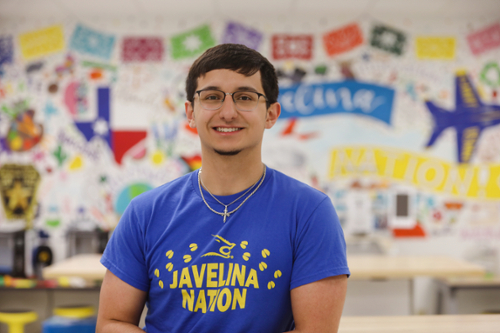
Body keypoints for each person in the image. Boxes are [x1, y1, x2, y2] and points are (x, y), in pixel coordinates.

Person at [96, 43, 350, 333]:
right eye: (212, 97)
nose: (228, 112)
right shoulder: (144, 213)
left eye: (245, 97)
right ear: (190, 112)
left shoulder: (309, 213)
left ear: (271, 113)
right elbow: (111, 324)